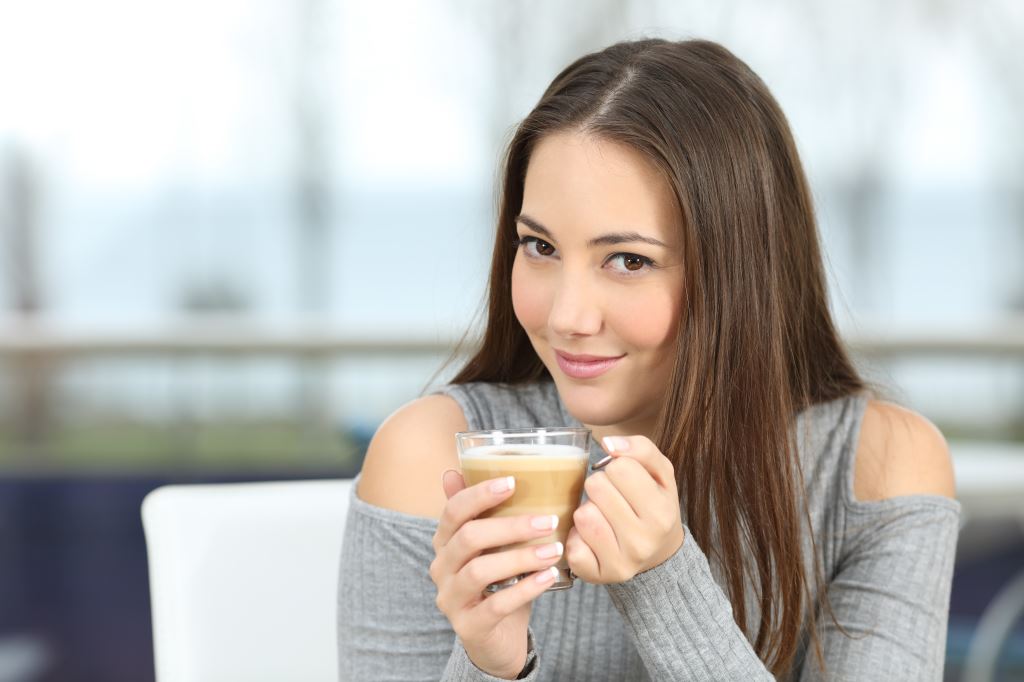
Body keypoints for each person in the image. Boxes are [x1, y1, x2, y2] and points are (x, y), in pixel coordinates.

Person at [337, 37, 959, 681]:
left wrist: (665, 582)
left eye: (629, 260)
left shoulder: (878, 468)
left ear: (740, 275)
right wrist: (491, 666)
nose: (567, 317)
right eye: (540, 246)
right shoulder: (431, 456)